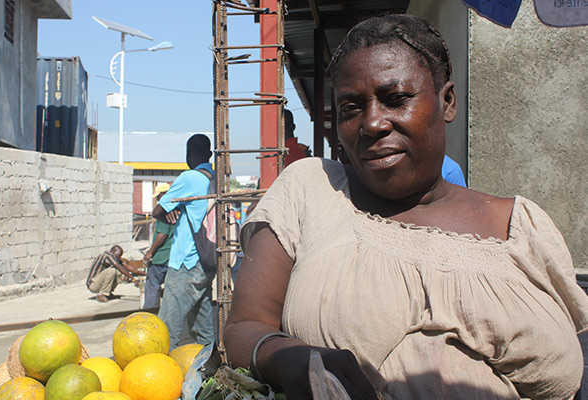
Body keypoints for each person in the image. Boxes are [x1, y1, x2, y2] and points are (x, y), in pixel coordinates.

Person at [224, 14, 588, 400]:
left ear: (447, 101)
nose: (373, 124)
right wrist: (288, 358)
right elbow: (246, 324)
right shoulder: (311, 188)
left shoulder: (523, 225)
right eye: (351, 108)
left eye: (395, 99)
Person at [152, 134, 216, 349]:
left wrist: (170, 213)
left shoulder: (189, 178)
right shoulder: (214, 178)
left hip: (185, 262)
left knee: (166, 330)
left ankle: (161, 377)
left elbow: (158, 211)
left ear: (188, 154)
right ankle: (209, 371)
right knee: (203, 327)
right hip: (206, 261)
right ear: (209, 154)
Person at [142, 182, 174, 310]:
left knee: (152, 285)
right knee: (170, 287)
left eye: (158, 196)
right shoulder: (177, 208)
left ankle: (150, 312)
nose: (157, 199)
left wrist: (150, 252)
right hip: (172, 256)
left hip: (161, 256)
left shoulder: (164, 210)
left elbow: (162, 234)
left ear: (163, 195)